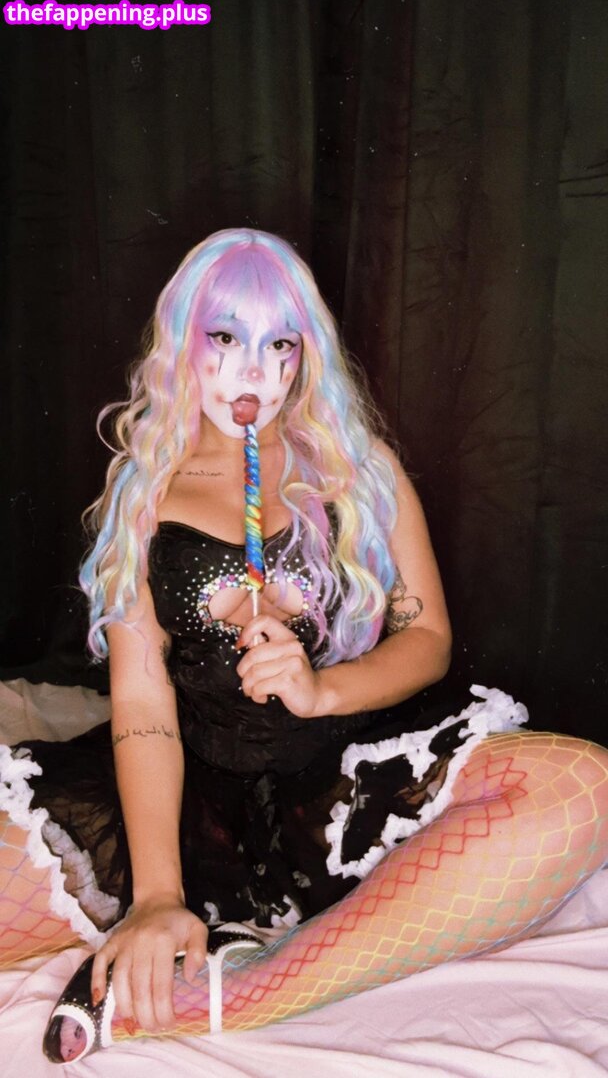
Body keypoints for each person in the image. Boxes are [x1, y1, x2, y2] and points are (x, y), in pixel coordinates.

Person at [1, 228, 607, 1064]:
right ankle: (197, 930)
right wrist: (157, 897)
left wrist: (323, 690)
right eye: (225, 339)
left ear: (303, 355)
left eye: (278, 345)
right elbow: (143, 704)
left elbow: (428, 637)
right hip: (182, 790)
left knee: (582, 788)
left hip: (337, 779)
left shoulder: (358, 470)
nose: (252, 372)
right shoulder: (144, 496)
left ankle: (236, 993)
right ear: (182, 343)